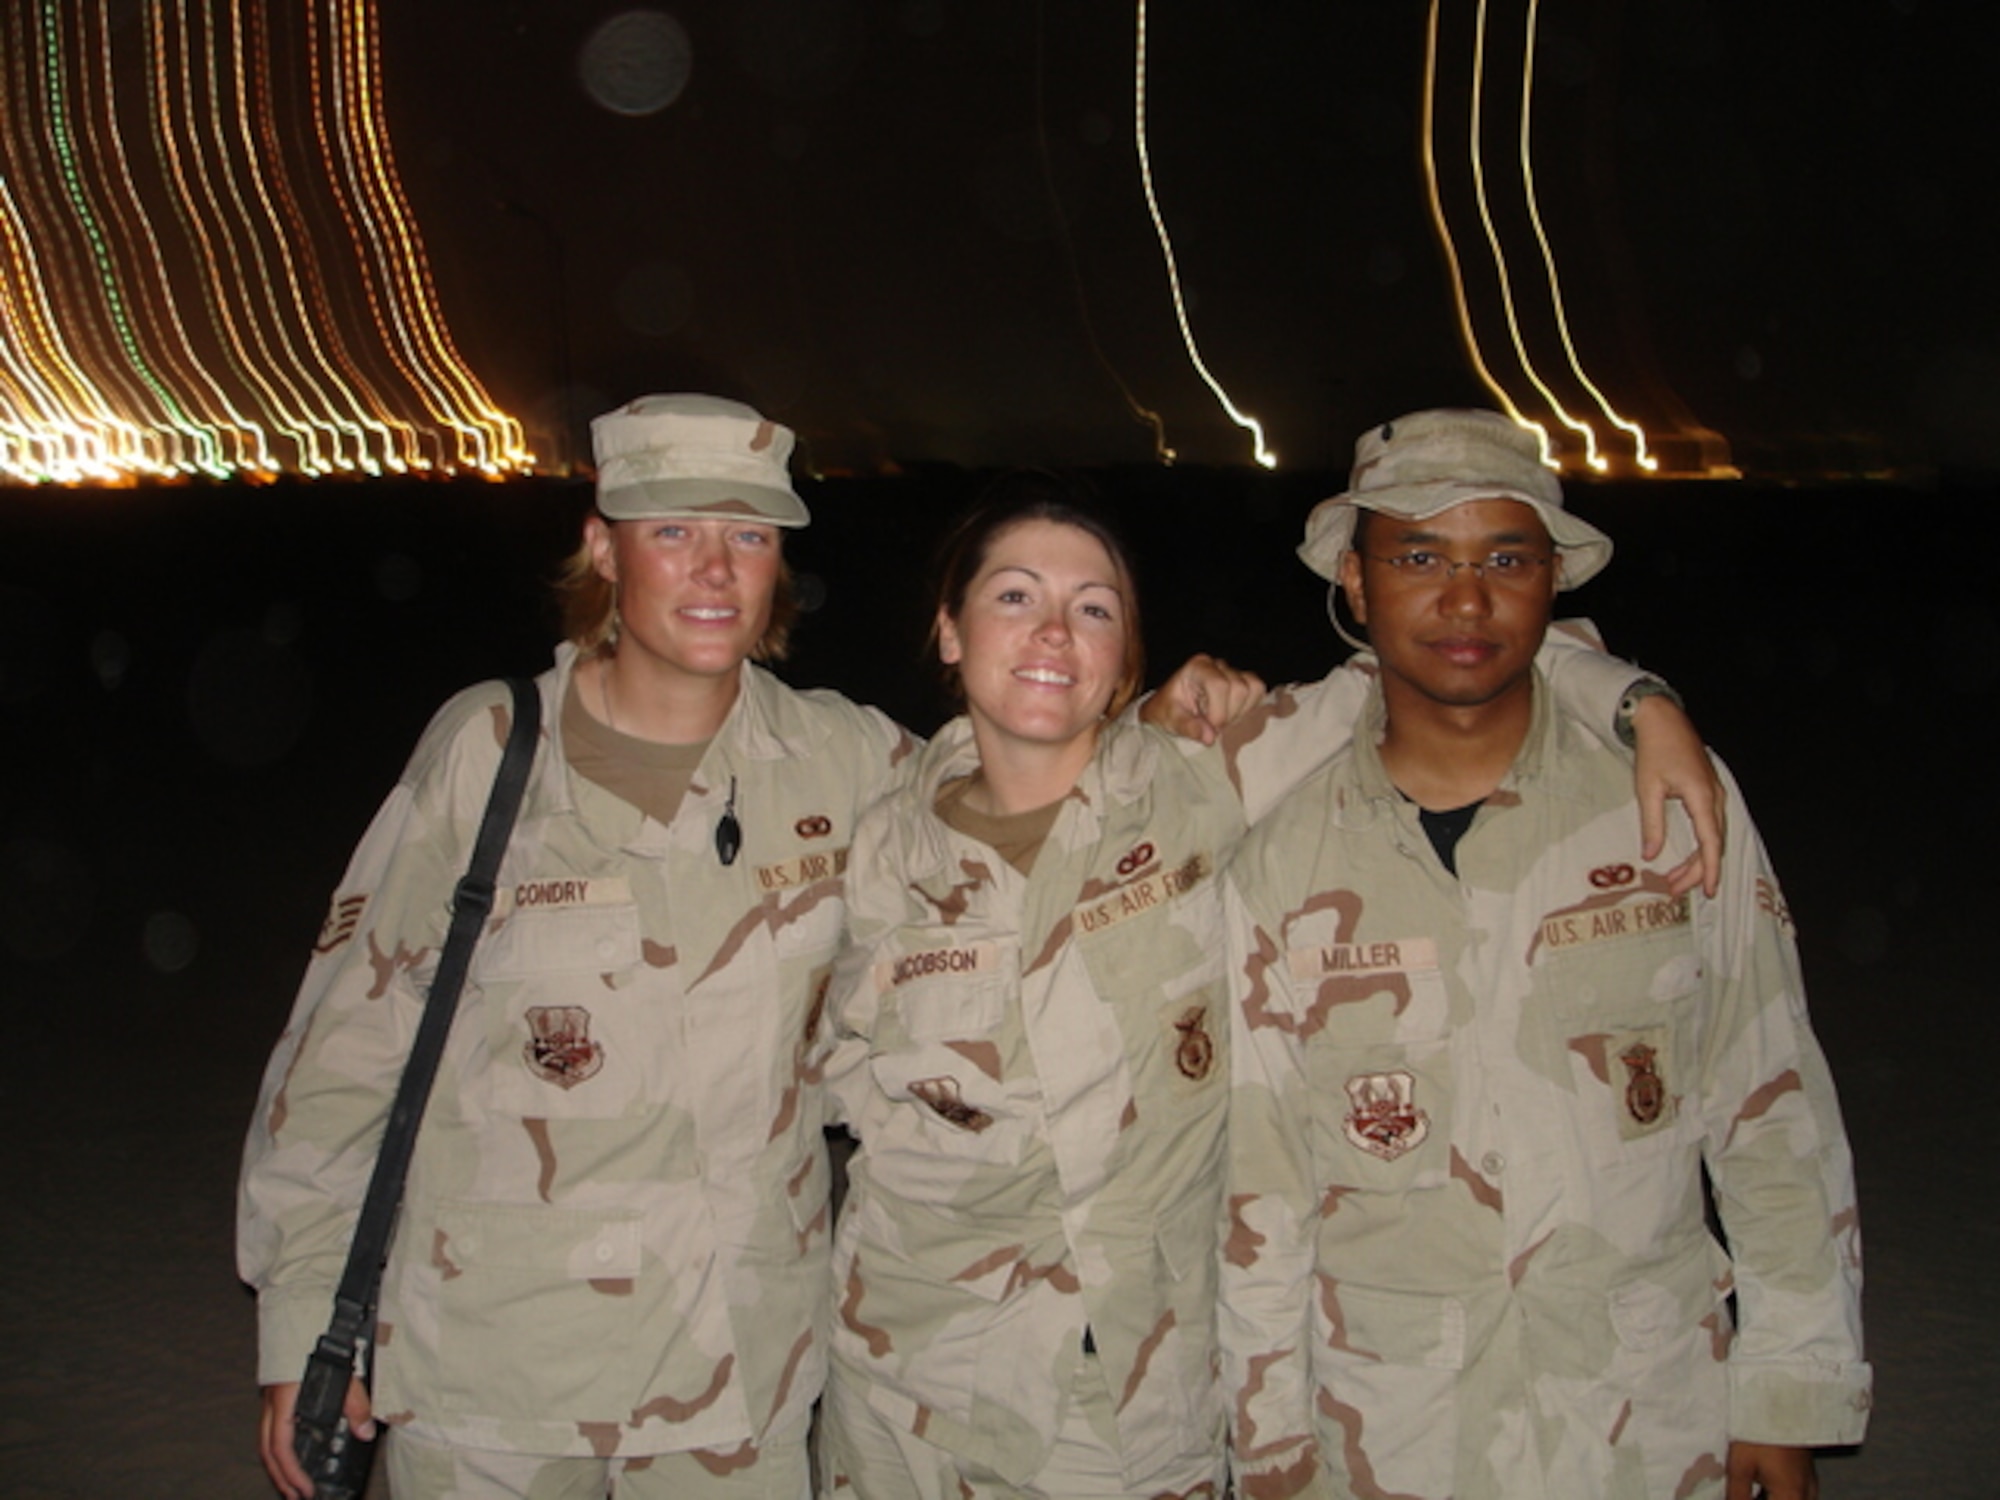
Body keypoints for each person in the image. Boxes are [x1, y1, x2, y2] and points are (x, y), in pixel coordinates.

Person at [817, 470, 1725, 1500]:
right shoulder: (878, 836)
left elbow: (1448, 651)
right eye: (1014, 597)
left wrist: (1638, 702)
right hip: (899, 1380)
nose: (1052, 633)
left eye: (1093, 609)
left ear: (1125, 662)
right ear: (949, 632)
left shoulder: (1207, 783)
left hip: (1122, 1401)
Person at [237, 394, 915, 1500]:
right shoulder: (490, 754)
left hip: (736, 1382)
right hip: (497, 1381)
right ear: (603, 549)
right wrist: (305, 1319)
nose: (713, 571)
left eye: (747, 536)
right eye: (672, 532)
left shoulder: (841, 758)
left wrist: (1173, 728)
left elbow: (1015, 801)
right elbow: (345, 1052)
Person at [1220, 409, 1870, 1500]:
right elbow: (1261, 1188)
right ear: (1354, 578)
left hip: (1643, 1417)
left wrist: (1784, 1388)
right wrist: (1273, 1447)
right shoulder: (1282, 850)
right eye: (1418, 557)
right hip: (1386, 1432)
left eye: (1504, 558)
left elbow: (1767, 1098)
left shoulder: (1668, 806)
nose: (1464, 600)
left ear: (1553, 578)